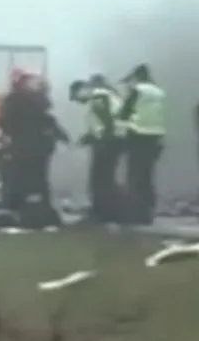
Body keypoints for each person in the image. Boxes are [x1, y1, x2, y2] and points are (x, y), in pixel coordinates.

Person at [0, 72, 68, 213]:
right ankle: (42, 206)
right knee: (39, 177)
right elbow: (48, 118)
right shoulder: (36, 100)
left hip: (22, 145)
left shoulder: (12, 100)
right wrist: (61, 137)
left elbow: (3, 123)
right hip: (39, 146)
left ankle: (17, 206)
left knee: (19, 176)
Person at [69, 74, 124, 223]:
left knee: (100, 179)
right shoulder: (108, 95)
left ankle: (103, 212)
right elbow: (101, 122)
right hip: (112, 141)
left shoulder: (99, 96)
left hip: (107, 143)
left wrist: (100, 140)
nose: (79, 101)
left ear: (83, 89)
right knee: (105, 178)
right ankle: (107, 210)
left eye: (77, 97)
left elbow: (107, 121)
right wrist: (87, 137)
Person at [117, 64, 167, 225]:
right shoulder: (159, 92)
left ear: (137, 77)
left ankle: (135, 214)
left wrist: (125, 93)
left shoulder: (137, 91)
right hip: (155, 138)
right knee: (147, 176)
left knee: (135, 176)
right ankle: (148, 213)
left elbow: (123, 113)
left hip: (138, 136)